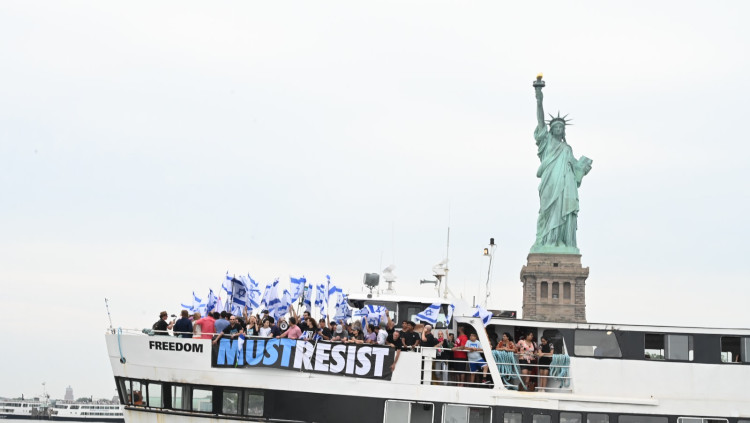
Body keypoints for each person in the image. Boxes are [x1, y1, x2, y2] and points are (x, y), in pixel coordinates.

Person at [531, 78, 592, 252]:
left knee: (563, 210)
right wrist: (539, 97)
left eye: (561, 127)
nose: (558, 129)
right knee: (549, 210)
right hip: (550, 182)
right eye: (555, 126)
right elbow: (540, 121)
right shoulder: (547, 142)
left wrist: (583, 167)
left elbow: (576, 169)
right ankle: (548, 241)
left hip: (566, 185)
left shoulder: (567, 148)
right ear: (551, 130)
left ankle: (562, 242)